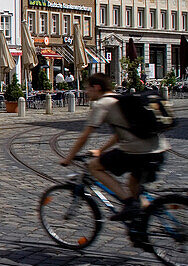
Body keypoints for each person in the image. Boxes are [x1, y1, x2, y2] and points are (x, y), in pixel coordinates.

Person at [60, 72, 168, 221]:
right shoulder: (121, 100)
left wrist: (69, 157)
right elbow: (120, 134)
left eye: (88, 88)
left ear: (96, 87)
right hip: (159, 149)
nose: (86, 92)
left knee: (94, 167)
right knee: (133, 185)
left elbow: (85, 135)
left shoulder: (103, 104)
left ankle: (130, 204)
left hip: (138, 151)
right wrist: (100, 150)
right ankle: (143, 226)